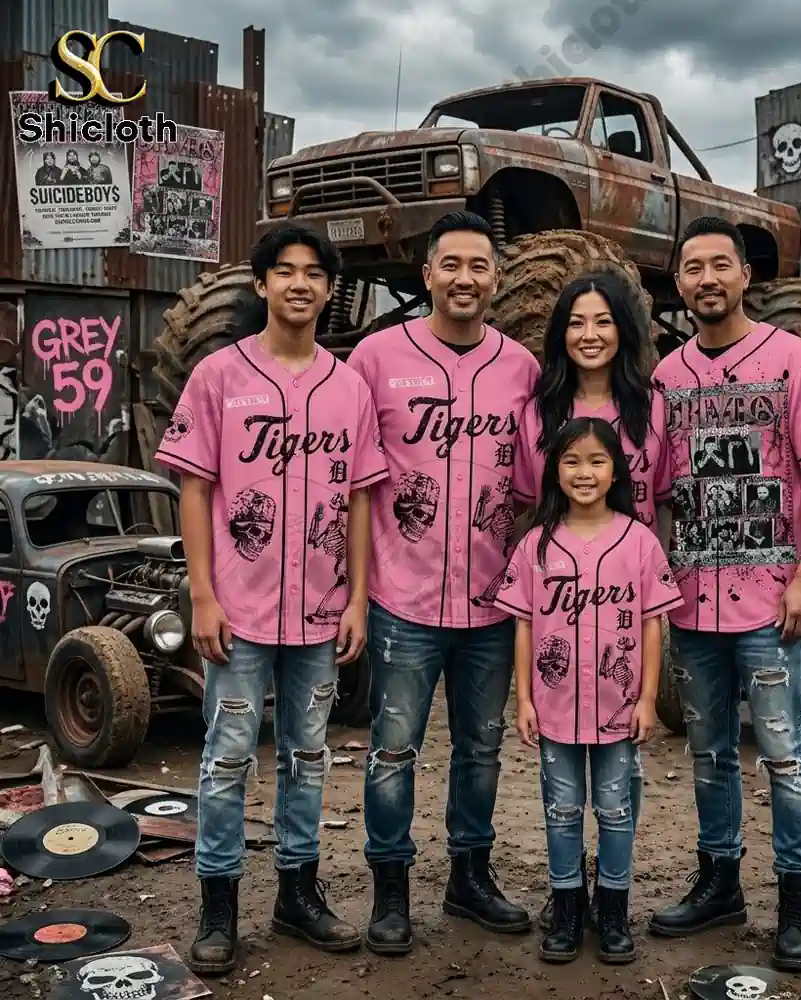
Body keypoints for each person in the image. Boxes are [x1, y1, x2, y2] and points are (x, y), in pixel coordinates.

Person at [154, 222, 390, 976]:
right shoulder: (219, 376)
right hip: (240, 611)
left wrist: (357, 599)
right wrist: (202, 595)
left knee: (308, 756)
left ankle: (297, 893)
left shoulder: (348, 387)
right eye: (284, 270)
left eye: (313, 273)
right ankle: (219, 905)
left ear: (329, 288)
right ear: (260, 284)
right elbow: (195, 489)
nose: (299, 284)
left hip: (320, 612)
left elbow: (361, 499)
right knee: (227, 757)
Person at [647, 216, 801, 972]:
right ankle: (719, 884)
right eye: (692, 268)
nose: (707, 279)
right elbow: (655, 489)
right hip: (692, 605)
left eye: (720, 265)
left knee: (786, 754)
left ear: (745, 276)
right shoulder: (667, 378)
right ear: (678, 283)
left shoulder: (794, 360)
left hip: (771, 605)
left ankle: (797, 904)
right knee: (708, 752)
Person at [346, 210, 540, 955]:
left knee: (481, 750)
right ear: (426, 274)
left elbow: (533, 483)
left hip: (490, 599)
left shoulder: (520, 368)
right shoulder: (376, 357)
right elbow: (351, 476)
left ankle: (470, 877)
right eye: (450, 264)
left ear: (496, 278)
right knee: (394, 749)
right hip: (403, 596)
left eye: (479, 266)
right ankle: (391, 891)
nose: (465, 278)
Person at [511, 270, 672, 930]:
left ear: (623, 330)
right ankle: (567, 896)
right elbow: (527, 495)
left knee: (617, 786)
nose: (590, 334)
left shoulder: (651, 406)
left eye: (603, 320)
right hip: (560, 598)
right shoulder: (539, 409)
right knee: (561, 795)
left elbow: (662, 492)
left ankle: (613, 897)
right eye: (576, 322)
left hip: (628, 596)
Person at [499, 417, 682, 964]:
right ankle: (567, 910)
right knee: (561, 808)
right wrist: (523, 699)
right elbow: (523, 626)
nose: (585, 472)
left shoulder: (639, 540)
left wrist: (647, 699)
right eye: (572, 461)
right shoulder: (535, 544)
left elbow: (652, 625)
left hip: (617, 708)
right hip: (554, 707)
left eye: (597, 460)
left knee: (615, 808)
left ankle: (614, 910)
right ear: (554, 471)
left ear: (616, 471)